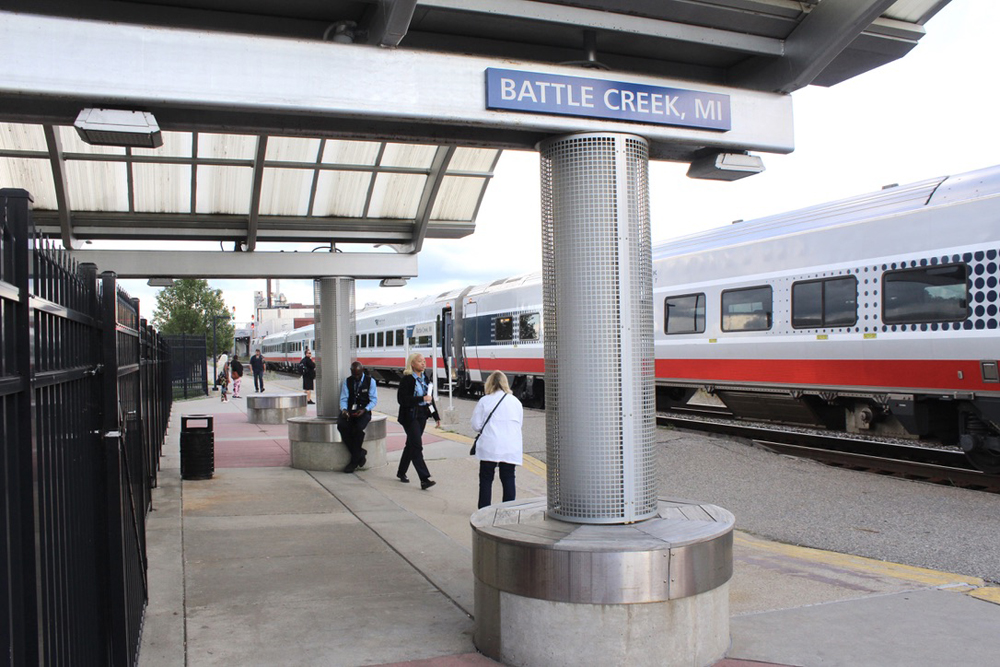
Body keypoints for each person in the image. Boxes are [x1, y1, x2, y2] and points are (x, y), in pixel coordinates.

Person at [471, 371, 524, 508]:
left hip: (490, 446)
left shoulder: (485, 400)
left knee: (486, 478)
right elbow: (519, 423)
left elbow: (476, 425)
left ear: (489, 383)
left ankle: (484, 510)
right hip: (511, 447)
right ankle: (508, 510)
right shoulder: (516, 402)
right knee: (508, 477)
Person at [396, 352, 440, 490]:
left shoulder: (425, 379)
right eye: (420, 361)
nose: (423, 363)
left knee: (411, 444)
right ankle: (424, 478)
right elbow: (402, 400)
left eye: (424, 361)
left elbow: (429, 399)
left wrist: (436, 416)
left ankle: (401, 472)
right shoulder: (407, 379)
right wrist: (421, 399)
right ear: (412, 364)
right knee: (416, 445)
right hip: (409, 416)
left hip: (422, 415)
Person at [338, 361, 378, 473]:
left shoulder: (371, 382)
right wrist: (344, 410)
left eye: (358, 375)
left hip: (364, 411)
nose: (356, 377)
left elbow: (373, 400)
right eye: (354, 374)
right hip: (350, 410)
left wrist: (365, 409)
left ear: (362, 371)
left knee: (357, 429)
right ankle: (360, 453)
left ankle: (354, 461)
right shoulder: (347, 381)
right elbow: (344, 398)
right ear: (351, 372)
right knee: (341, 426)